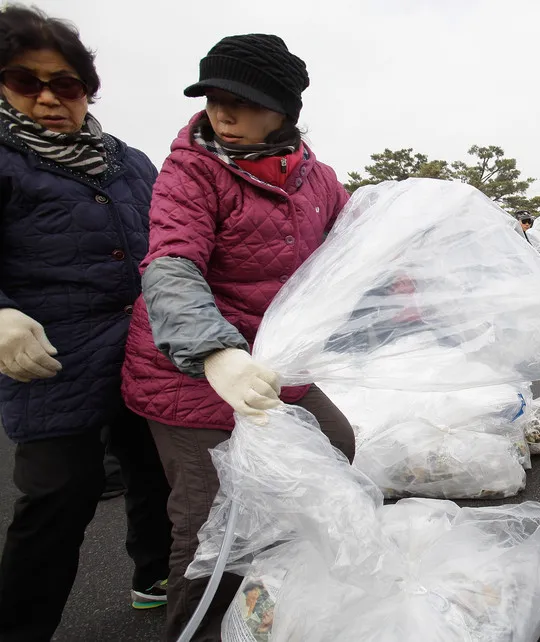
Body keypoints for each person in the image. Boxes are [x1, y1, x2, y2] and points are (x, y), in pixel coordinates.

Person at [119, 34, 356, 640]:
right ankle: (191, 628)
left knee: (335, 445)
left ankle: (265, 602)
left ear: (285, 111)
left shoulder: (319, 181)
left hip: (273, 367)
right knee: (208, 520)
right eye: (215, 98)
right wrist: (214, 352)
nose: (223, 113)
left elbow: (358, 254)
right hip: (187, 372)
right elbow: (171, 264)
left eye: (244, 102)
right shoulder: (191, 169)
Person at [0, 5, 172, 639]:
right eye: (26, 81)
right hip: (51, 358)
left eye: (66, 84)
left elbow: (170, 241)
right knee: (56, 498)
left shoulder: (128, 162)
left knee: (153, 470)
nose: (49, 98)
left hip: (140, 346)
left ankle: (154, 577)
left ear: (87, 89)